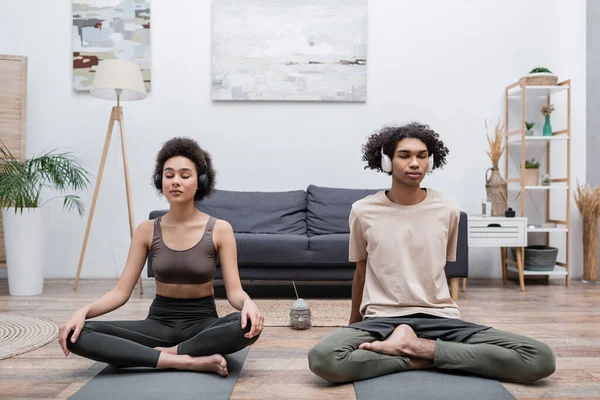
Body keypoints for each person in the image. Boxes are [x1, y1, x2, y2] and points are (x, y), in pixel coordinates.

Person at [307, 123, 555, 383]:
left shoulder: (448, 209)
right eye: (405, 155)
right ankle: (427, 355)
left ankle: (415, 348)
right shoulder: (362, 210)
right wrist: (353, 326)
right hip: (381, 319)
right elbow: (360, 274)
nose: (415, 163)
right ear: (387, 161)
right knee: (324, 358)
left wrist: (425, 343)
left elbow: (438, 270)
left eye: (422, 156)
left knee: (539, 358)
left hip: (440, 318)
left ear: (430, 161)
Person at [58, 137, 264, 376]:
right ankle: (183, 360)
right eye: (169, 175)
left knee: (249, 324)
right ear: (160, 180)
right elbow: (120, 293)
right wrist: (82, 311)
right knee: (77, 335)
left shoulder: (220, 229)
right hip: (158, 323)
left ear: (200, 181)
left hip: (202, 322)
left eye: (185, 175)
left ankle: (161, 354)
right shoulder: (146, 230)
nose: (175, 181)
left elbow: (235, 292)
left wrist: (248, 303)